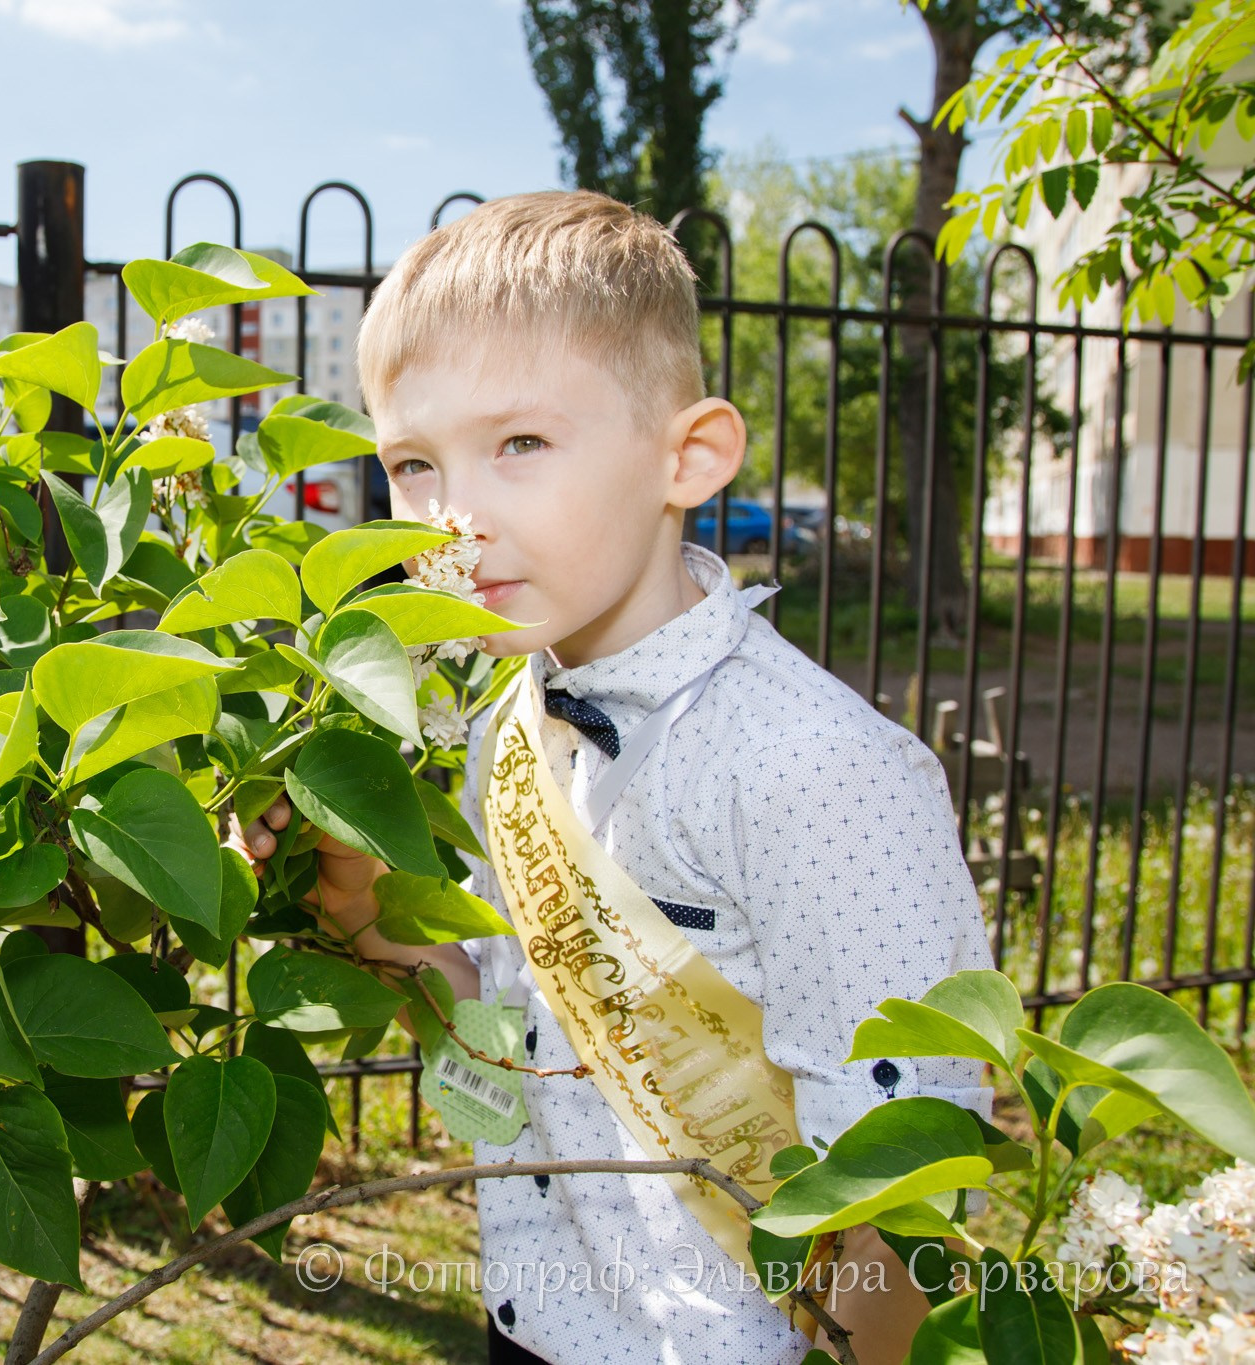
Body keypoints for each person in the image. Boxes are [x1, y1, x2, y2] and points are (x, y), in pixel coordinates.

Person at [235, 191, 994, 1365]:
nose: (454, 517)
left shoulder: (815, 771)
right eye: (412, 464)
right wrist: (357, 904)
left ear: (685, 457)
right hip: (530, 1320)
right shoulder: (501, 721)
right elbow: (489, 1050)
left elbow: (904, 1182)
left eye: (519, 444)